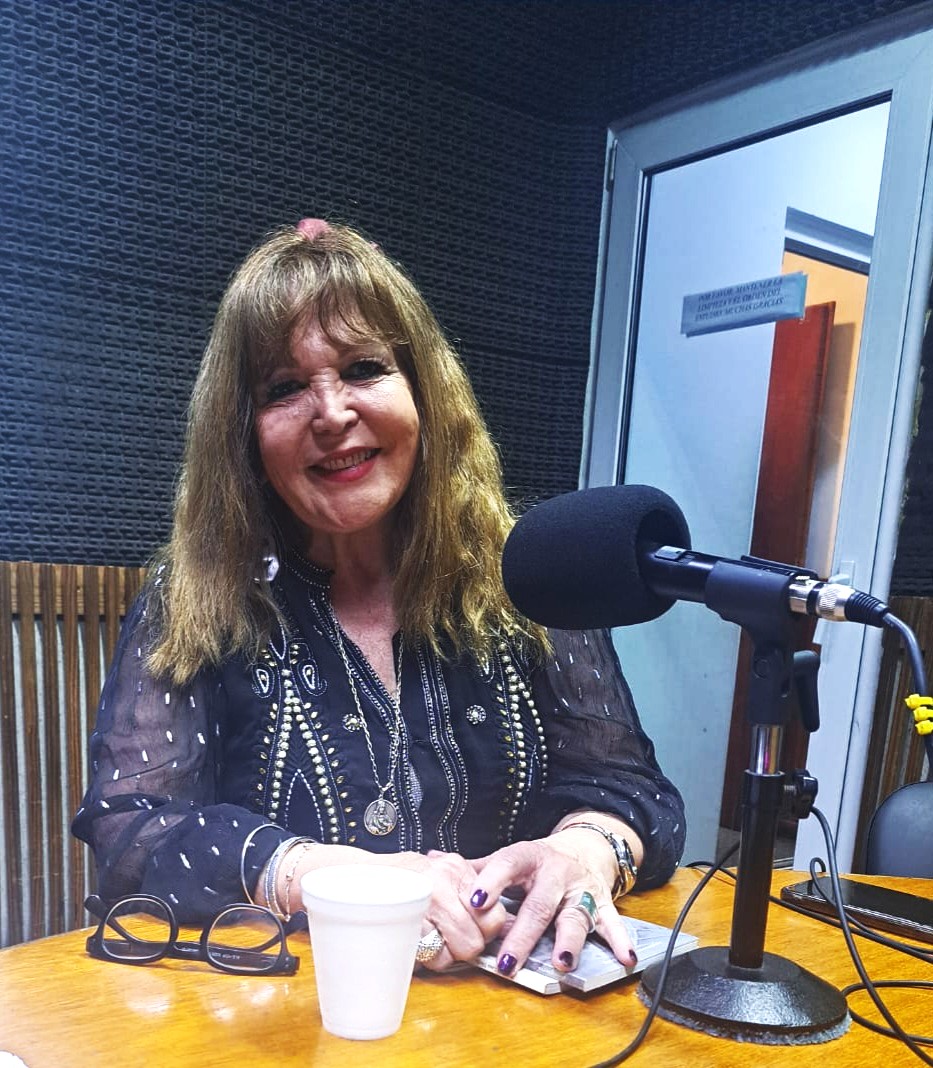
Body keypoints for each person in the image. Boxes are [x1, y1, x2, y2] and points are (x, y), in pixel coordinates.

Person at [72, 218, 685, 978]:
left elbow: (629, 787)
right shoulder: (196, 596)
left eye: (364, 369)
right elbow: (132, 836)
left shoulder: (527, 574)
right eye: (284, 388)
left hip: (518, 1009)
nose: (331, 415)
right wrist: (319, 875)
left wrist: (586, 849)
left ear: (425, 392)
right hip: (296, 1013)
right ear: (244, 434)